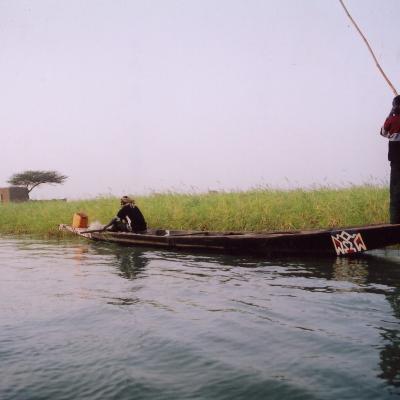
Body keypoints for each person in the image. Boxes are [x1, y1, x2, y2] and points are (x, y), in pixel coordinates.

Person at [381, 95, 400, 223]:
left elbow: (383, 132)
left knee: (395, 190)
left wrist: (390, 113)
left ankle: (395, 222)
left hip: (396, 160)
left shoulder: (392, 121)